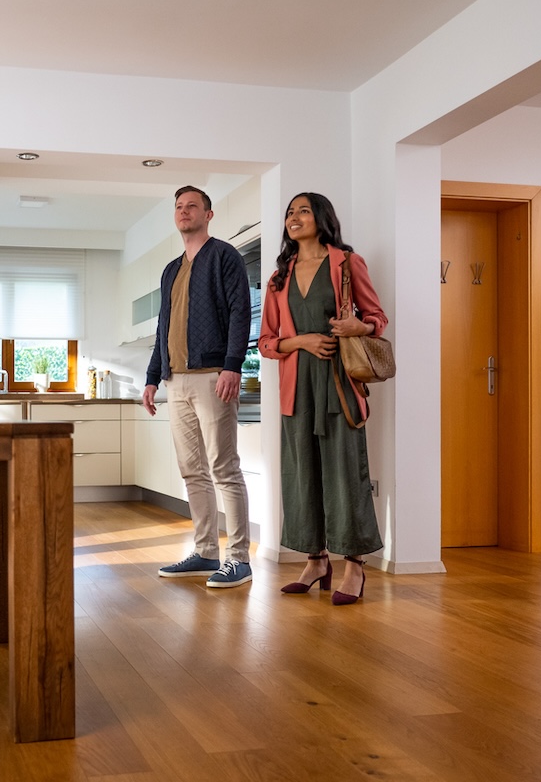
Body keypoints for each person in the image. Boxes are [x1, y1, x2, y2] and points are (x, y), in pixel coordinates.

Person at [257, 192, 386, 605]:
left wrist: (357, 327)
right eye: (289, 213)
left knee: (345, 474)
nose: (294, 218)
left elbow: (377, 319)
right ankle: (315, 561)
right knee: (301, 475)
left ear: (322, 218)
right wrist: (302, 341)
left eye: (303, 211)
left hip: (339, 384)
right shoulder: (279, 278)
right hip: (297, 389)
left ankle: (354, 566)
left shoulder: (347, 263)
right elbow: (265, 343)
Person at [143, 185, 253, 588]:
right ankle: (207, 551)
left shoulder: (225, 256)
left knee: (224, 467)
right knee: (192, 471)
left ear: (208, 214)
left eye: (192, 206)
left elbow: (241, 311)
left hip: (212, 376)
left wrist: (232, 366)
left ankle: (239, 558)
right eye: (179, 206)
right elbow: (163, 328)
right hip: (177, 380)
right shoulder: (171, 269)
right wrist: (153, 377)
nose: (184, 211)